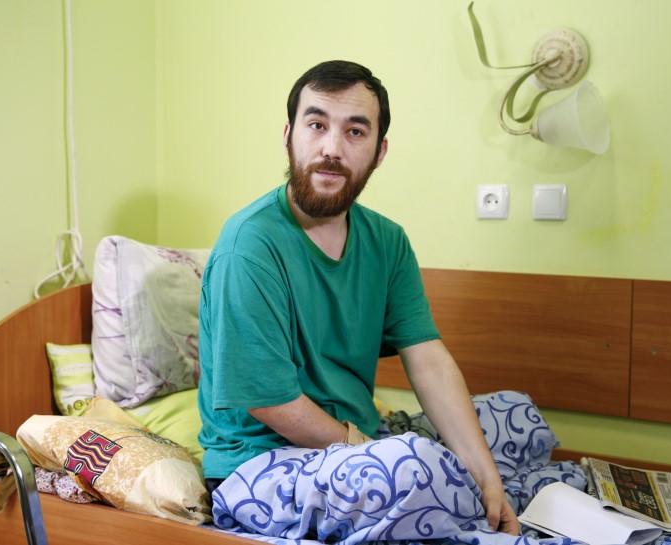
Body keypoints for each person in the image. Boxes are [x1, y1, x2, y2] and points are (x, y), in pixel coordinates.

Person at [197, 59, 520, 540]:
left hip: (357, 446)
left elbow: (427, 360)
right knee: (414, 468)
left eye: (354, 132)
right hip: (261, 463)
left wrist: (487, 477)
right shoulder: (250, 244)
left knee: (513, 420)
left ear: (379, 151)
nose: (331, 148)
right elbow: (273, 405)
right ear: (288, 135)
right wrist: (368, 449)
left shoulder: (388, 241)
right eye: (316, 125)